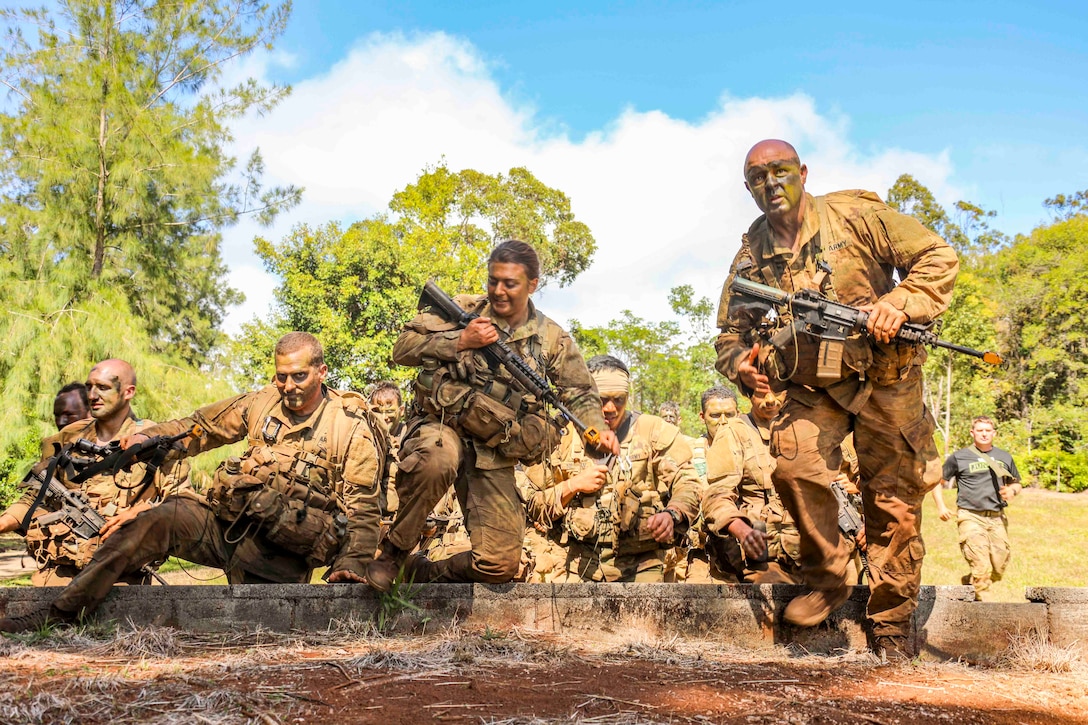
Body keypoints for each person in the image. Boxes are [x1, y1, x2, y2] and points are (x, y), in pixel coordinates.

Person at [715, 139, 956, 658]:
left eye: (780, 171)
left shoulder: (857, 218)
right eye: (758, 176)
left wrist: (899, 303)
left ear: (803, 172)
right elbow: (729, 335)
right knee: (794, 466)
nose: (771, 183)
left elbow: (938, 257)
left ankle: (891, 622)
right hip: (812, 386)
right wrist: (740, 365)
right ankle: (828, 577)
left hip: (887, 380)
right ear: (748, 188)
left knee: (893, 503)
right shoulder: (751, 254)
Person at [0, 333, 387, 632]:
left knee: (251, 636)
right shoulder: (262, 402)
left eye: (299, 376)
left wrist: (351, 562)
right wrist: (149, 441)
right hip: (222, 527)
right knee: (154, 519)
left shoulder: (348, 425)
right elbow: (201, 428)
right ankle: (61, 613)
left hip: (280, 556)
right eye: (281, 377)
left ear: (321, 372)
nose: (289, 387)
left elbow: (364, 505)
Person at [366, 240, 618, 590]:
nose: (498, 291)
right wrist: (459, 341)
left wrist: (597, 427)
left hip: (493, 446)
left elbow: (578, 391)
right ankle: (393, 552)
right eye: (493, 280)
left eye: (510, 283)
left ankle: (417, 572)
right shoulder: (463, 309)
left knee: (499, 565)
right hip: (440, 424)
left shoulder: (551, 339)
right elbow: (402, 348)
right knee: (438, 459)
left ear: (532, 285)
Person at [0, 360, 187, 586]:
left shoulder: (156, 441)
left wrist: (143, 513)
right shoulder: (67, 438)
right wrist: (5, 522)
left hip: (120, 579)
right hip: (57, 573)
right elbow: (35, 496)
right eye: (89, 387)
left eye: (103, 387)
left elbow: (180, 503)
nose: (93, 395)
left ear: (129, 392)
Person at [520, 355, 703, 582]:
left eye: (619, 399)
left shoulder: (654, 431)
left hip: (643, 565)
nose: (610, 408)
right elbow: (532, 503)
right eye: (602, 399)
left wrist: (672, 514)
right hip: (578, 564)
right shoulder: (562, 436)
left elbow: (689, 483)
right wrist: (571, 486)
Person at [702, 389, 802, 583]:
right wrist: (741, 529)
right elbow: (716, 495)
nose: (771, 400)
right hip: (769, 557)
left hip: (816, 552)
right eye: (762, 392)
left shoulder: (806, 426)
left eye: (777, 391)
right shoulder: (733, 432)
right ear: (748, 392)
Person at [932, 416, 1021, 601]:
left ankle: (970, 581)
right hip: (970, 516)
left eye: (988, 430)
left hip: (997, 518)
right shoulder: (959, 457)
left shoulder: (1004, 457)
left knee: (998, 567)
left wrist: (1012, 490)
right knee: (982, 568)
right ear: (972, 433)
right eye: (980, 430)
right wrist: (941, 507)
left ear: (994, 433)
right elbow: (936, 482)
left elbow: (1016, 483)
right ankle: (987, 616)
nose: (984, 433)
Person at [368, 381, 406, 518]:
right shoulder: (365, 437)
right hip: (372, 515)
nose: (384, 417)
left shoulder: (411, 437)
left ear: (401, 411)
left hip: (403, 514)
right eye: (379, 412)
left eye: (390, 411)